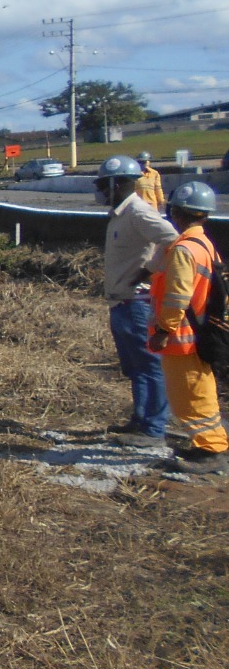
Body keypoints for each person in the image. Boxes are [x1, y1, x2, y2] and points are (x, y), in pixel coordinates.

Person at [96, 156, 177, 446]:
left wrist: (150, 270)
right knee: (135, 367)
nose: (101, 190)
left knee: (149, 366)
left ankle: (153, 429)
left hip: (137, 304)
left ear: (117, 184)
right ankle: (141, 420)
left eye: (104, 185)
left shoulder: (139, 213)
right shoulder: (121, 214)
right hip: (121, 302)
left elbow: (175, 241)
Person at [149, 181, 227, 474]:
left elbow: (177, 296)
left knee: (191, 396)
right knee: (197, 392)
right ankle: (207, 445)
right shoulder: (205, 245)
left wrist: (163, 330)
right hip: (200, 333)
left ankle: (211, 450)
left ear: (178, 213)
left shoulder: (184, 250)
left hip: (184, 337)